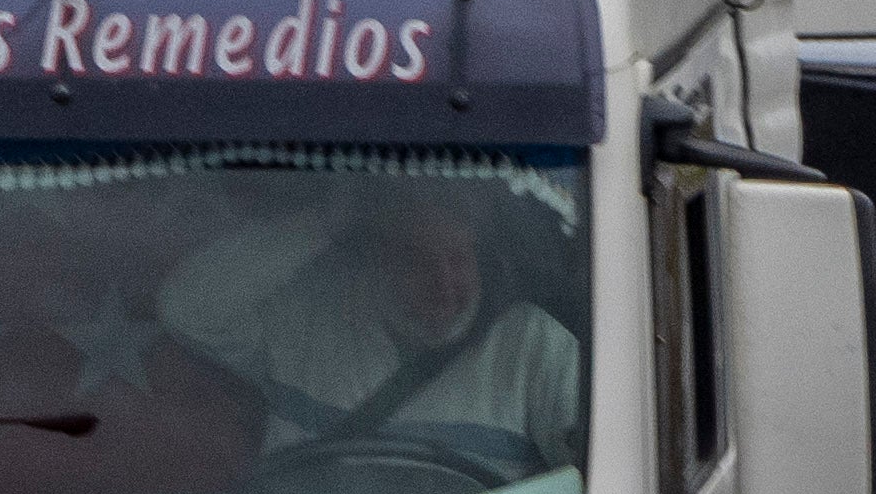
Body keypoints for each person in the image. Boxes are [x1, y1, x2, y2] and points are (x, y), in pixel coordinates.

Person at [162, 181, 583, 472]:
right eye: (416, 261)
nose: (443, 282)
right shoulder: (308, 317)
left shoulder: (536, 347)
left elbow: (597, 483)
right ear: (377, 261)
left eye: (458, 259)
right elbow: (187, 307)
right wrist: (328, 221)